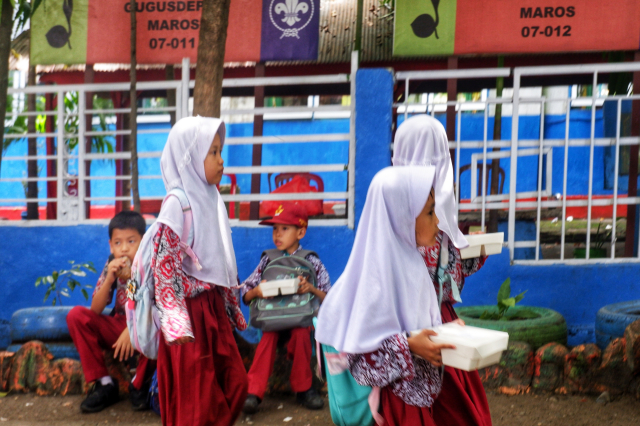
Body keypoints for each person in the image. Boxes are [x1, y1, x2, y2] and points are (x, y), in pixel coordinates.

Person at [316, 166, 454, 426]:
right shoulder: (373, 277)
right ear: (401, 216)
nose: (437, 221)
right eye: (429, 212)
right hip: (393, 407)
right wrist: (410, 345)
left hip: (414, 399)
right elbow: (358, 353)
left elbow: (413, 324)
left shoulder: (410, 262)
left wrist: (447, 332)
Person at [393, 114, 491, 426]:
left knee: (443, 407)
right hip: (414, 328)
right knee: (453, 409)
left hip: (435, 324)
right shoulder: (418, 206)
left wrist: (474, 249)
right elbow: (448, 274)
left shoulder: (405, 205)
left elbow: (447, 272)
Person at [150, 116, 248, 426]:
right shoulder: (177, 204)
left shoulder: (212, 199)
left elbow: (222, 260)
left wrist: (231, 308)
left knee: (235, 383)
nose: (221, 161)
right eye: (213, 152)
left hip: (212, 310)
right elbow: (164, 267)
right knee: (197, 399)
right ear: (190, 157)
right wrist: (177, 326)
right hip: (188, 317)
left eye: (221, 152)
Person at [241, 202, 330, 414]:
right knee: (267, 339)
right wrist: (257, 292)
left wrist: (310, 289)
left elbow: (330, 297)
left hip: (300, 319)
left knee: (301, 334)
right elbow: (246, 293)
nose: (277, 234)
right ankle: (253, 392)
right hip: (272, 320)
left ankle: (304, 389)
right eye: (275, 229)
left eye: (284, 228)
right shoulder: (267, 259)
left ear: (301, 231)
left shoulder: (311, 260)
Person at [67, 210, 155, 413]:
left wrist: (132, 329)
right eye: (118, 243)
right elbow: (96, 309)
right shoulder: (111, 265)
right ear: (111, 245)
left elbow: (149, 306)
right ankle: (104, 383)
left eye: (131, 241)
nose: (124, 249)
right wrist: (109, 278)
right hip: (119, 325)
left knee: (162, 327)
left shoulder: (150, 264)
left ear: (143, 241)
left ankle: (139, 384)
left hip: (146, 324)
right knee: (76, 316)